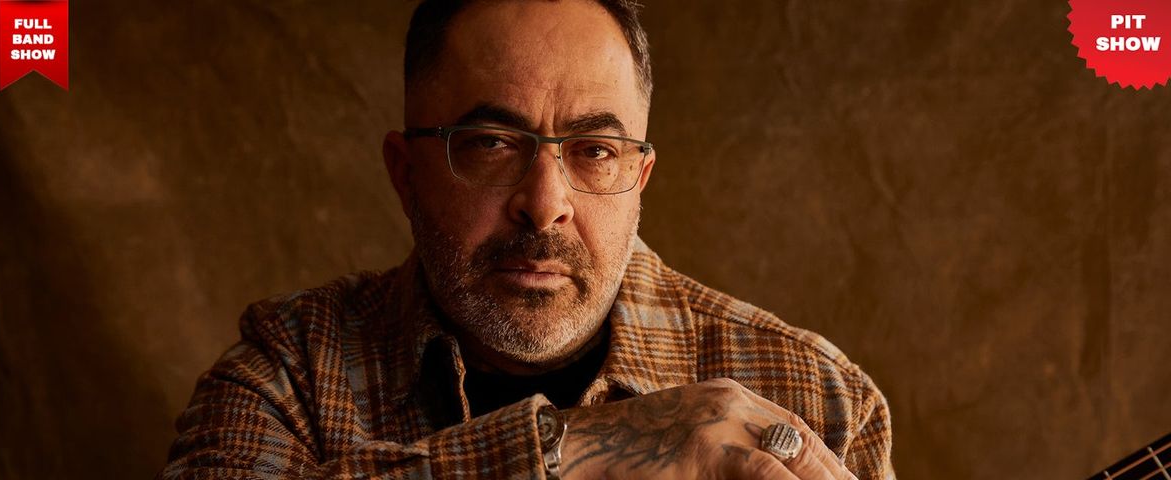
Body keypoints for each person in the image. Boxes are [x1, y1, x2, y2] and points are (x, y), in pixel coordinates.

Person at [160, 0, 894, 478]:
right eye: (491, 144)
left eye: (595, 152)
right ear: (406, 173)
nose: (545, 206)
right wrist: (596, 447)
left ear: (639, 178)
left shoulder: (819, 399)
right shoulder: (287, 376)